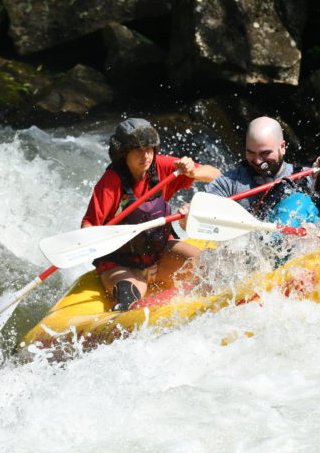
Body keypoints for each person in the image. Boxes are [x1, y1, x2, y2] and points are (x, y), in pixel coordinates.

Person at [82, 118, 220, 311]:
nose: (145, 156)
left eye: (149, 149)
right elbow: (88, 228)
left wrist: (191, 172)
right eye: (138, 150)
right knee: (127, 301)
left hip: (159, 253)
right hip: (122, 264)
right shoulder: (111, 182)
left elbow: (214, 174)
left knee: (213, 269)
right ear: (124, 153)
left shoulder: (161, 166)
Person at [202, 116, 301, 216]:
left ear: (282, 147)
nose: (258, 161)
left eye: (265, 153)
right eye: (251, 153)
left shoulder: (307, 178)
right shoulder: (229, 183)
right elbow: (202, 212)